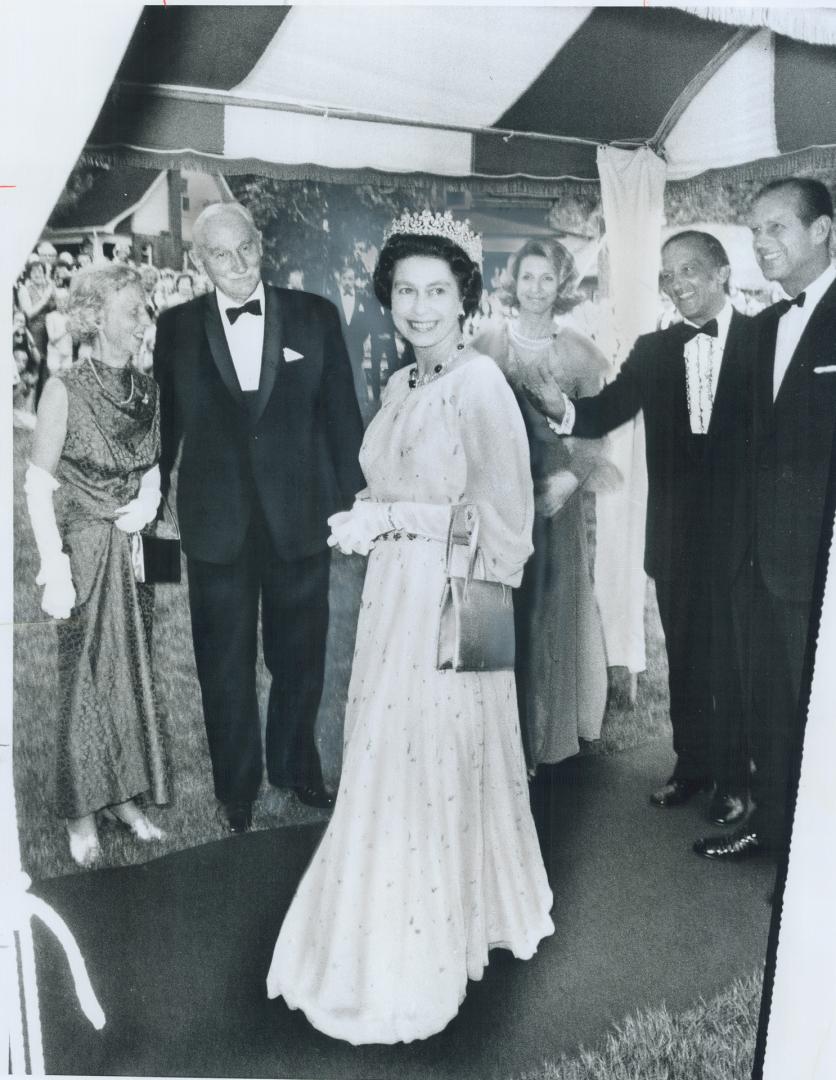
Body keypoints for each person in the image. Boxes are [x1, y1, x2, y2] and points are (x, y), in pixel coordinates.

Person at [266, 210, 554, 1045]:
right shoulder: (402, 385)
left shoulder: (480, 385)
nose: (419, 306)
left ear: (465, 301)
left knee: (427, 758)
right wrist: (368, 512)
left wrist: (399, 518)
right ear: (386, 299)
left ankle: (421, 939)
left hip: (449, 599)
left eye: (436, 291)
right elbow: (398, 479)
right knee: (386, 753)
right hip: (395, 596)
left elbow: (505, 519)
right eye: (404, 291)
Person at [525, 231, 753, 825]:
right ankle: (691, 765)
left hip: (746, 541)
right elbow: (609, 408)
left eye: (691, 271)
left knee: (733, 659)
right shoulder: (653, 350)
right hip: (676, 537)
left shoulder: (765, 341)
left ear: (724, 273)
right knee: (687, 658)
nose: (678, 284)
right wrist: (563, 408)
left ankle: (735, 778)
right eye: (668, 275)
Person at [153, 202, 364, 834]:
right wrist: (151, 504)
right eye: (221, 254)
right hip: (216, 526)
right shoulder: (176, 328)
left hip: (300, 518)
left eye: (246, 248)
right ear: (198, 261)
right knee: (224, 661)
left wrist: (358, 508)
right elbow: (165, 431)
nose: (239, 264)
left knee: (300, 655)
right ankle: (236, 788)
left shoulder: (316, 316)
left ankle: (296, 767)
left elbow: (342, 420)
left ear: (261, 243)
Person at [695, 178, 836, 860]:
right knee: (772, 710)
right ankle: (775, 828)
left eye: (777, 227)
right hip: (754, 563)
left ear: (822, 230)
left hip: (817, 564)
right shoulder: (758, 329)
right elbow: (729, 449)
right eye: (755, 232)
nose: (762, 243)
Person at [23, 263, 168, 868]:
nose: (143, 322)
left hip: (136, 545)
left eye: (144, 310)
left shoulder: (148, 388)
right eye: (133, 310)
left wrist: (151, 501)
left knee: (133, 670)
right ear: (95, 317)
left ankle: (122, 798)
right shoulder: (65, 388)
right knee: (84, 678)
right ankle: (82, 810)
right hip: (84, 548)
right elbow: (36, 483)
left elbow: (154, 462)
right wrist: (53, 564)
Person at [476, 237, 616, 769]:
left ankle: (547, 737)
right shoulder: (486, 342)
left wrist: (569, 481)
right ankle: (496, 736)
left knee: (551, 612)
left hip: (555, 497)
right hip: (496, 498)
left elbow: (597, 428)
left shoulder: (580, 351)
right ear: (513, 282)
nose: (536, 289)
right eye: (527, 277)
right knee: (497, 609)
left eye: (547, 278)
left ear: (562, 285)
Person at [334, 264, 373, 422]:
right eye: (345, 278)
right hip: (338, 343)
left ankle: (356, 406)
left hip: (356, 344)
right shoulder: (332, 298)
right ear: (341, 280)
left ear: (354, 280)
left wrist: (366, 339)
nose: (348, 282)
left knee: (355, 371)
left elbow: (366, 323)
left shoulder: (362, 299)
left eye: (351, 278)